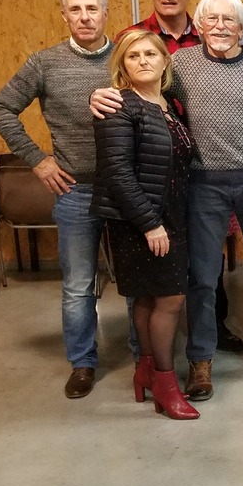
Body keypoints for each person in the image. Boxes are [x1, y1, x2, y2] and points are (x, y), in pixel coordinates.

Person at [91, 0, 243, 398]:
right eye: (212, 19)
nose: (220, 26)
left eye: (229, 19)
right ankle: (201, 360)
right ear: (200, 26)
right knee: (202, 278)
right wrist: (99, 93)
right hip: (203, 184)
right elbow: (141, 85)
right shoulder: (181, 65)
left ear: (242, 27)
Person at [0, 0, 114, 399]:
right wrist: (38, 160)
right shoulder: (45, 63)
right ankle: (82, 363)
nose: (84, 17)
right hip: (76, 191)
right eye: (75, 9)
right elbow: (0, 108)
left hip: (125, 189)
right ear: (64, 16)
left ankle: (144, 355)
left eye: (92, 9)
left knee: (134, 282)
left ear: (105, 13)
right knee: (78, 284)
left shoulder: (127, 56)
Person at [117, 0, 242, 354]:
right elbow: (117, 90)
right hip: (151, 174)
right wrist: (96, 95)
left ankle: (212, 328)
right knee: (150, 276)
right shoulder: (134, 37)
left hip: (199, 168)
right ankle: (147, 353)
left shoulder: (206, 36)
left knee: (206, 258)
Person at [90, 30, 197, 419]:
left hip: (171, 214)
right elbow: (117, 172)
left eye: (151, 53)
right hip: (140, 221)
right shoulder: (118, 106)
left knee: (150, 299)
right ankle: (166, 386)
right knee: (170, 300)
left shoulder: (169, 104)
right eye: (133, 56)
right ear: (123, 65)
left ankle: (146, 371)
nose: (143, 61)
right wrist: (150, 224)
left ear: (166, 60)